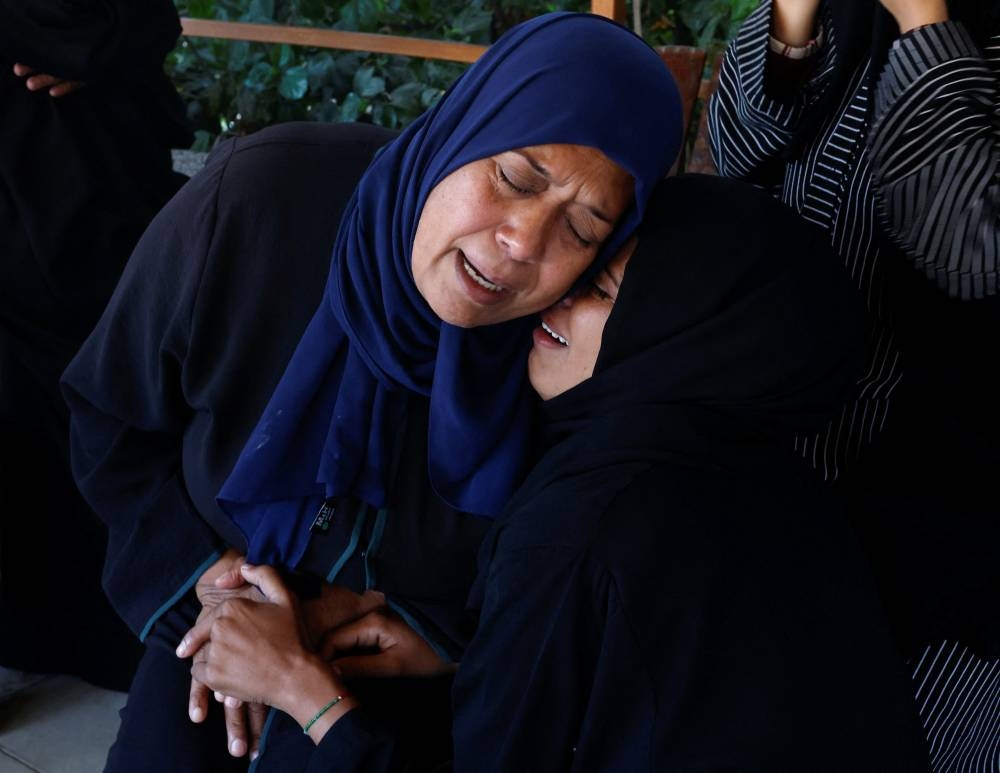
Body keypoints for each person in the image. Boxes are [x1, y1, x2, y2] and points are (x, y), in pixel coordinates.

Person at [60, 12, 684, 771]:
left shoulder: (566, 345)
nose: (524, 242)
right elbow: (109, 411)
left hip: (398, 683)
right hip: (211, 626)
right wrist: (202, 577)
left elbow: (559, 567)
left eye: (582, 230)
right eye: (515, 176)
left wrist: (445, 639)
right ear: (463, 128)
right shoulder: (258, 203)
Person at [180, 175, 932, 771]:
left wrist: (299, 688)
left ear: (676, 342)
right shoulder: (774, 481)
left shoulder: (585, 512)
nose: (560, 294)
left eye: (602, 294)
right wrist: (476, 656)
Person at [708, 0, 999, 767]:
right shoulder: (849, 13)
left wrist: (923, 17)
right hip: (791, 470)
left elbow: (969, 245)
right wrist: (795, 15)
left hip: (948, 527)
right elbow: (736, 151)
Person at [0, 0, 191, 690]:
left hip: (100, 200)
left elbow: (152, 20)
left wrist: (98, 50)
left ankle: (134, 625)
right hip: (42, 207)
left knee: (111, 404)